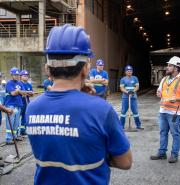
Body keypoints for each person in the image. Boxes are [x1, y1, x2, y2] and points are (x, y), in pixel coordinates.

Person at [26, 24, 132, 185]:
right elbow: (125, 162)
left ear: (47, 69)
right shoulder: (101, 110)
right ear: (85, 69)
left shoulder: (32, 108)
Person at [150, 56, 180, 163]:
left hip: (174, 113)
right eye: (168, 65)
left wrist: (176, 98)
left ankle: (174, 154)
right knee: (163, 132)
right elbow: (159, 92)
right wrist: (159, 93)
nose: (167, 67)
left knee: (175, 134)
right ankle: (162, 153)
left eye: (170, 66)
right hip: (163, 111)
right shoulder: (164, 79)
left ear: (176, 68)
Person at [4, 67, 28, 144]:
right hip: (11, 106)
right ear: (11, 75)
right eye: (15, 75)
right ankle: (8, 138)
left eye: (18, 75)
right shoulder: (9, 83)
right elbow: (12, 93)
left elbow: (24, 94)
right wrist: (19, 92)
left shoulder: (20, 83)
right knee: (10, 123)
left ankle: (14, 137)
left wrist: (18, 91)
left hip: (19, 105)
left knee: (16, 123)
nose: (17, 76)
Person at [119, 65, 143, 130]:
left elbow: (137, 87)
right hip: (125, 98)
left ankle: (138, 125)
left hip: (133, 97)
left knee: (135, 112)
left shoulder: (135, 78)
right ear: (125, 72)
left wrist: (132, 91)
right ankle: (121, 126)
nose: (129, 72)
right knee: (123, 112)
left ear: (132, 72)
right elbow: (121, 88)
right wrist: (127, 92)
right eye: (128, 71)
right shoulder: (123, 79)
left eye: (130, 71)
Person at [19, 70, 34, 135]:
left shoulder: (29, 84)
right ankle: (17, 131)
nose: (26, 77)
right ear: (21, 76)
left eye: (27, 76)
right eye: (24, 76)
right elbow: (22, 94)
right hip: (20, 102)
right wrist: (26, 93)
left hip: (26, 102)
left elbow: (32, 94)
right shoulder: (19, 83)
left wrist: (27, 93)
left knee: (24, 116)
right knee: (18, 117)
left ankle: (23, 130)